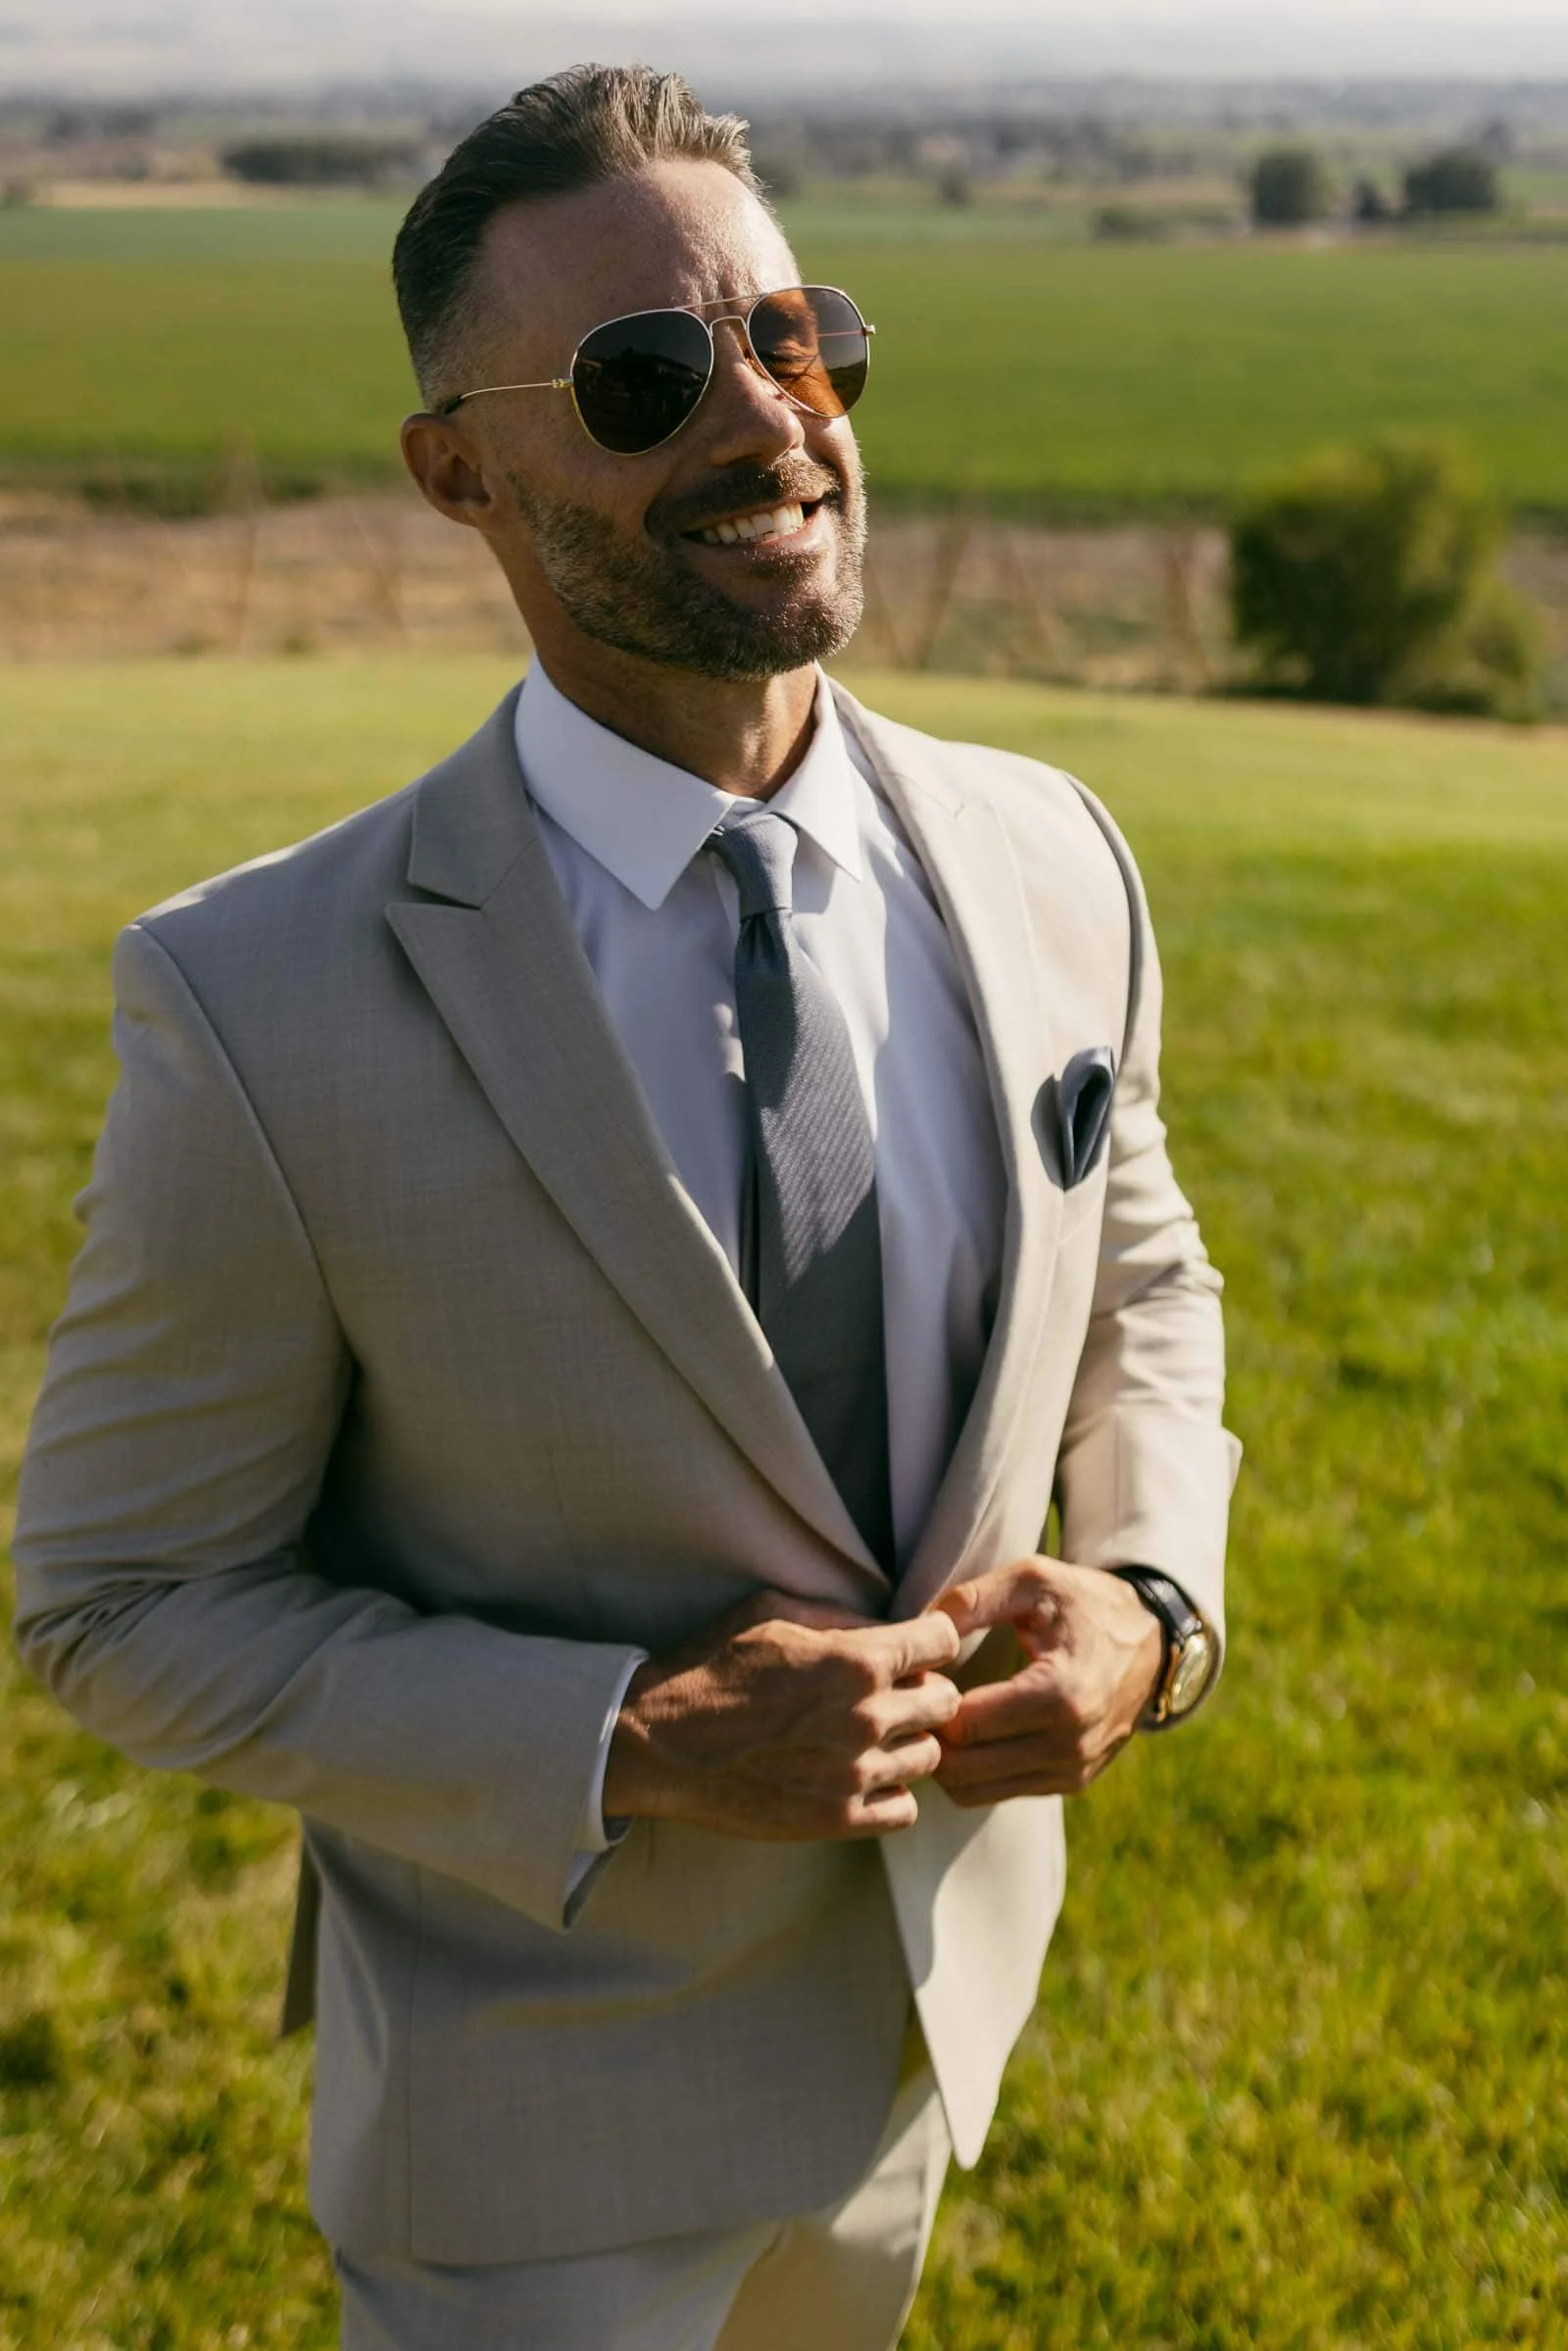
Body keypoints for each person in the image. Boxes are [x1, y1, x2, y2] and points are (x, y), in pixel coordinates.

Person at [12, 65, 1241, 2351]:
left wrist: (1156, 1600)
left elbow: (1136, 1270)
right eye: (644, 376)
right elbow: (116, 1597)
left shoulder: (1053, 851)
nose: (766, 416)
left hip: (924, 2054)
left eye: (796, 335)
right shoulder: (253, 996)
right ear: (453, 471)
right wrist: (633, 1734)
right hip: (528, 2138)